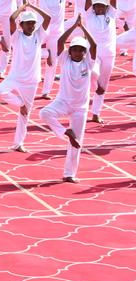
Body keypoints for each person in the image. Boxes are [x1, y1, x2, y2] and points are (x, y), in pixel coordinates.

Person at [40, 19, 96, 183]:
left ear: (84, 53)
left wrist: (84, 28)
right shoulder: (64, 60)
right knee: (44, 113)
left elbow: (94, 47)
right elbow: (59, 42)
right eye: (75, 50)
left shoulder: (88, 62)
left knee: (76, 143)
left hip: (80, 108)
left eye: (81, 50)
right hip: (63, 102)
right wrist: (73, 27)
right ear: (69, 51)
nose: (78, 53)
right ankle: (65, 132)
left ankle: (69, 173)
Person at [0, 5, 50, 152]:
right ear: (22, 25)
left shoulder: (39, 36)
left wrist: (32, 7)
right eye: (28, 23)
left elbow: (48, 18)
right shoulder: (16, 37)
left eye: (33, 23)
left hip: (31, 80)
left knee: (25, 115)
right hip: (15, 77)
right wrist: (23, 7)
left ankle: (18, 143)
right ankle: (19, 103)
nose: (31, 26)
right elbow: (11, 19)